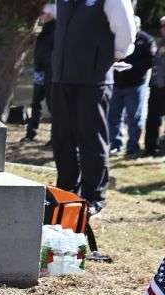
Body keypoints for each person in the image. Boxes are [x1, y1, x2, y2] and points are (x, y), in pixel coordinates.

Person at [50, 0, 135, 216]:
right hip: (61, 77)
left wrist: (112, 55)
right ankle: (66, 190)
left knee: (92, 138)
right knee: (62, 138)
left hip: (93, 78)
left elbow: (125, 31)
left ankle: (93, 197)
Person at [108, 16, 155, 156]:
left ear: (138, 26)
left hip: (136, 85)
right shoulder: (117, 37)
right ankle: (115, 144)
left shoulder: (146, 40)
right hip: (116, 83)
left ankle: (132, 147)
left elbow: (150, 61)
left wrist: (132, 67)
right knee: (114, 116)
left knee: (134, 117)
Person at [23, 4, 56, 143]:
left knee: (53, 106)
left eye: (42, 13)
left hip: (51, 73)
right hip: (40, 71)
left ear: (49, 15)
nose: (40, 16)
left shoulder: (57, 30)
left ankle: (54, 137)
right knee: (35, 103)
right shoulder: (43, 29)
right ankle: (31, 133)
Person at [145, 16, 165, 156]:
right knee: (153, 119)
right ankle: (151, 147)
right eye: (162, 26)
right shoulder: (159, 43)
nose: (163, 28)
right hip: (156, 86)